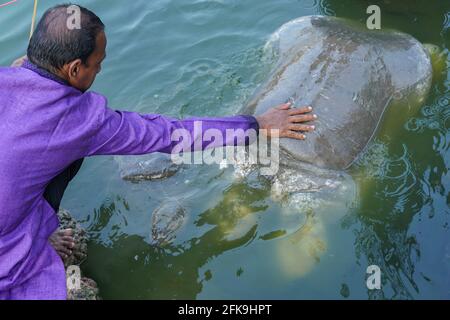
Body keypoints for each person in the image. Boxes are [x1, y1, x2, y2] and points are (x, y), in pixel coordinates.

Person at [0, 4, 316, 300]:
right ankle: (26, 253)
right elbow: (171, 135)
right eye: (97, 65)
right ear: (72, 69)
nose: (99, 72)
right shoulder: (79, 123)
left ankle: (33, 236)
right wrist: (257, 124)